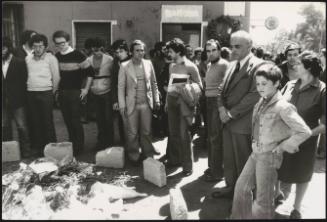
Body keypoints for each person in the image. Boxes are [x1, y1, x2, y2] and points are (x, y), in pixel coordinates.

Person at [231, 62, 312, 219]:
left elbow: (304, 131)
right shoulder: (261, 101)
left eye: (264, 84)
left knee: (263, 199)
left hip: (269, 156)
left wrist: (283, 146)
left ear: (276, 84)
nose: (260, 87)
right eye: (258, 83)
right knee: (241, 188)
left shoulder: (283, 106)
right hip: (256, 153)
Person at [213, 30, 263, 198]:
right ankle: (231, 188)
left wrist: (231, 114)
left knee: (243, 162)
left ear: (250, 46)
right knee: (229, 160)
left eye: (238, 46)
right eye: (232, 46)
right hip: (226, 120)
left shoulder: (259, 66)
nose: (233, 50)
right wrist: (221, 109)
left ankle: (244, 197)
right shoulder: (232, 64)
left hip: (243, 123)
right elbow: (220, 89)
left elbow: (255, 95)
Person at [277, 51, 326, 219]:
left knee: (302, 174)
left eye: (298, 64)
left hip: (306, 141)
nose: (293, 66)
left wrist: (302, 137)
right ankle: (277, 194)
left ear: (309, 68)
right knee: (277, 167)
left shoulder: (322, 90)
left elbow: (324, 125)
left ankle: (296, 209)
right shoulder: (289, 85)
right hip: (282, 137)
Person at [118, 40, 161, 165]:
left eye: (142, 50)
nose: (140, 52)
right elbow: (120, 87)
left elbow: (154, 83)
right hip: (132, 104)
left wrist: (156, 99)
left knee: (146, 131)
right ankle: (134, 155)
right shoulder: (125, 66)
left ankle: (148, 154)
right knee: (132, 132)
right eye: (137, 50)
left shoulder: (148, 64)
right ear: (131, 52)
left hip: (146, 104)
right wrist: (122, 105)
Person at [52, 30, 95, 156]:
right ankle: (72, 144)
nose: (61, 45)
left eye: (63, 43)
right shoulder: (57, 56)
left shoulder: (79, 55)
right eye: (57, 43)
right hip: (62, 92)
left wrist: (86, 89)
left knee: (75, 120)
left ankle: (79, 148)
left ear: (68, 41)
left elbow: (91, 73)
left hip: (75, 92)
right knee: (67, 120)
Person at [165, 38, 203, 176]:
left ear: (178, 52)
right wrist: (166, 103)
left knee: (184, 134)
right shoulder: (171, 66)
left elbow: (200, 86)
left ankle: (187, 167)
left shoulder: (191, 66)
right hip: (172, 100)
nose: (169, 54)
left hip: (185, 103)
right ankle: (175, 160)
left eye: (170, 51)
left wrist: (185, 86)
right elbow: (170, 84)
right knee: (173, 133)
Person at [25, 34, 60, 156]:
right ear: (32, 47)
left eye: (40, 46)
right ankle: (40, 149)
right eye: (35, 46)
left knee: (47, 121)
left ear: (45, 46)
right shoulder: (28, 59)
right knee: (35, 121)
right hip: (31, 92)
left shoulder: (51, 58)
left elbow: (56, 77)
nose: (38, 49)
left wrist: (53, 93)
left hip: (46, 92)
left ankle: (51, 148)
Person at [202, 39, 229, 182]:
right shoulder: (209, 65)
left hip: (217, 103)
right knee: (211, 137)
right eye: (208, 50)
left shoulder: (224, 65)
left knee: (216, 138)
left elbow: (226, 88)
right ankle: (213, 166)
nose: (210, 53)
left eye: (213, 50)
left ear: (219, 50)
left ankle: (217, 172)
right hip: (208, 102)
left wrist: (221, 106)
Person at [2, 37, 31, 158]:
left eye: (3, 48)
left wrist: (23, 99)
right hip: (2, 102)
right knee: (4, 127)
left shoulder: (19, 62)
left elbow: (24, 81)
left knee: (22, 127)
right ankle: (9, 153)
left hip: (18, 101)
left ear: (8, 48)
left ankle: (26, 152)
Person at [87, 37, 115, 150]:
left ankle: (110, 141)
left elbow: (114, 75)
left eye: (99, 49)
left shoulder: (109, 59)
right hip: (95, 93)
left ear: (103, 48)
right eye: (94, 49)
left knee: (108, 118)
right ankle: (101, 141)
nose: (97, 52)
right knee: (99, 119)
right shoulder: (88, 60)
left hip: (107, 92)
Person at [111, 39, 131, 145]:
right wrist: (115, 100)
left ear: (127, 51)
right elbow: (113, 82)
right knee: (121, 121)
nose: (118, 54)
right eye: (116, 52)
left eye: (121, 52)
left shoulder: (133, 61)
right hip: (120, 97)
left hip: (132, 96)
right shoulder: (115, 62)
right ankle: (124, 143)